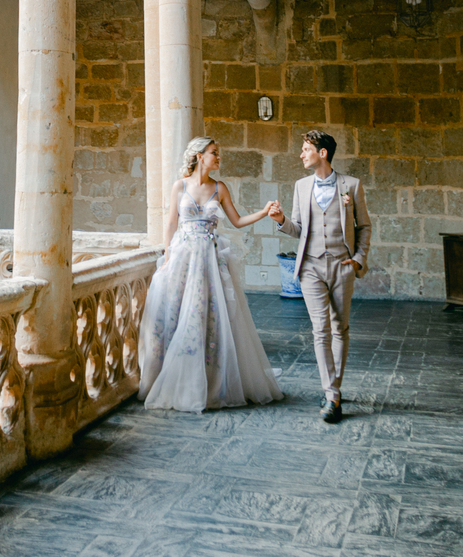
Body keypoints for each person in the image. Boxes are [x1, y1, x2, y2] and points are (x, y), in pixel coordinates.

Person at [138, 136, 284, 413]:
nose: (218, 157)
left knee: (209, 318)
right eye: (214, 153)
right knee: (176, 315)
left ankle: (210, 380)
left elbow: (237, 221)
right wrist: (168, 256)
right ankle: (173, 379)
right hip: (183, 258)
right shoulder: (179, 186)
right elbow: (171, 222)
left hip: (209, 260)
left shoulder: (220, 188)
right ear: (199, 155)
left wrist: (264, 212)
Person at [268, 129, 371, 424]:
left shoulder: (351, 185)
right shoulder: (301, 186)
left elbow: (364, 227)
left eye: (305, 149)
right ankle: (332, 394)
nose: (301, 154)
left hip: (342, 265)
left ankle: (333, 389)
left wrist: (358, 260)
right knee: (320, 330)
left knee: (341, 328)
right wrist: (281, 221)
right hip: (310, 267)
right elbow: (299, 230)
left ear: (322, 153)